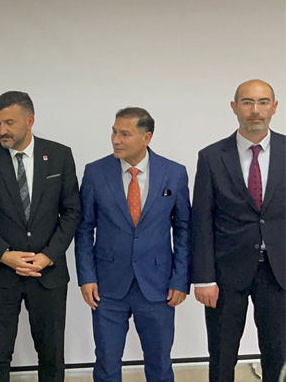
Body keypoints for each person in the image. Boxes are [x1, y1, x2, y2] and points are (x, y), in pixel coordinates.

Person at [0, 91, 81, 382]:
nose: (2, 131)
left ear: (30, 121)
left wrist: (47, 256)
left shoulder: (59, 156)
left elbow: (72, 212)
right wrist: (4, 254)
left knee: (51, 355)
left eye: (9, 123)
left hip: (48, 274)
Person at [75, 107, 190, 382]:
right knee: (106, 363)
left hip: (158, 285)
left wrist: (180, 279)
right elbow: (84, 228)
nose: (116, 140)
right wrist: (87, 277)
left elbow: (184, 229)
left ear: (146, 137)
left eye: (124, 134)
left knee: (160, 363)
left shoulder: (174, 173)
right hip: (107, 286)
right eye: (114, 132)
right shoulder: (95, 172)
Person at [192, 79, 284, 382]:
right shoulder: (211, 156)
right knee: (222, 355)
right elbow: (202, 220)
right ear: (234, 107)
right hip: (226, 273)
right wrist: (204, 277)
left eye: (262, 102)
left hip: (279, 273)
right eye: (247, 102)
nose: (255, 110)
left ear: (274, 107)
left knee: (278, 354)